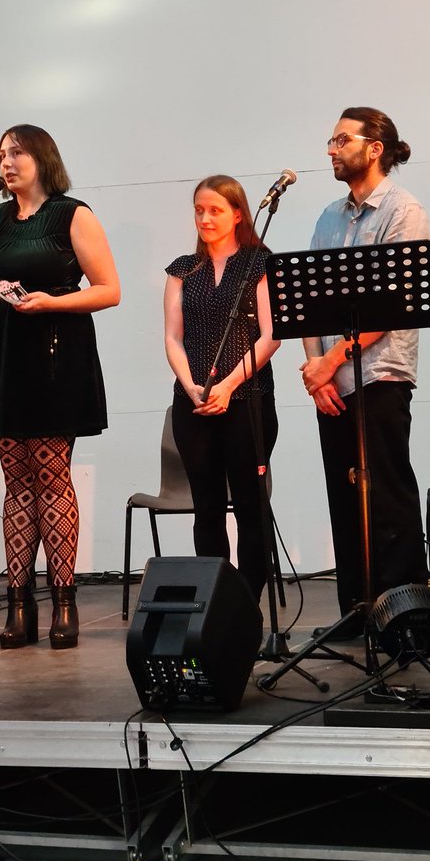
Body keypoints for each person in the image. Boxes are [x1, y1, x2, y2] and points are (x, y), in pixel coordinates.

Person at [0, 124, 120, 650]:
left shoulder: (72, 214)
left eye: (17, 152)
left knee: (51, 476)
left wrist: (52, 302)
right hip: (6, 359)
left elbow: (109, 290)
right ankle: (18, 605)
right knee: (17, 481)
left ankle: (64, 603)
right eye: (1, 154)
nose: (7, 162)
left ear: (42, 157)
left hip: (54, 354)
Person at [300, 107, 430, 638]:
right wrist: (317, 368)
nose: (330, 150)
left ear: (374, 148)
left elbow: (392, 305)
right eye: (330, 141)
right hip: (332, 381)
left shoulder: (403, 210)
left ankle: (404, 617)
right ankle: (357, 610)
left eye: (340, 140)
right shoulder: (329, 217)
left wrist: (331, 361)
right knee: (344, 494)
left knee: (386, 495)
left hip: (379, 374)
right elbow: (308, 302)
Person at [164, 175, 281, 604]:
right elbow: (172, 337)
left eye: (215, 210)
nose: (205, 218)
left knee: (250, 506)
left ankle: (248, 602)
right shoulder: (182, 269)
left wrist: (228, 385)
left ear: (237, 214)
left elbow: (271, 335)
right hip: (193, 403)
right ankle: (218, 602)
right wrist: (191, 386)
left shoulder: (258, 263)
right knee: (207, 507)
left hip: (247, 400)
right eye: (199, 210)